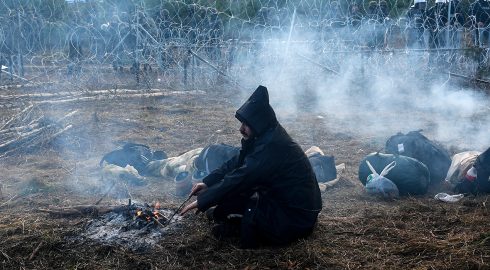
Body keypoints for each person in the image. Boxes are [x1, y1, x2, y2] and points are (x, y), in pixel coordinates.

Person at [180, 85, 322, 249]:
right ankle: (238, 218)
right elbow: (237, 161)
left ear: (258, 123)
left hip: (295, 217)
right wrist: (207, 182)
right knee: (223, 209)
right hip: (283, 203)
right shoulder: (266, 133)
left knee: (237, 206)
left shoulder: (272, 146)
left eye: (246, 124)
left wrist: (203, 200)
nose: (241, 129)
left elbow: (241, 177)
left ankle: (240, 226)